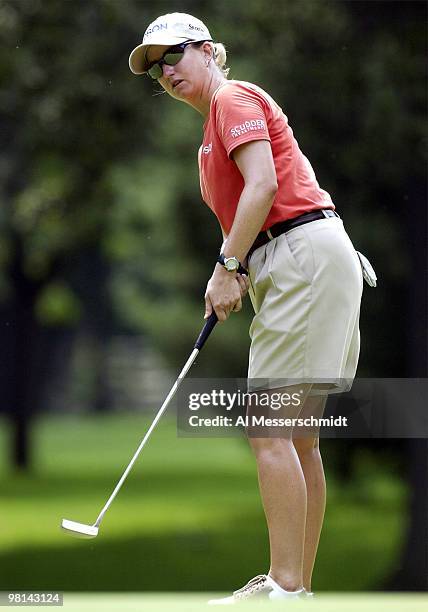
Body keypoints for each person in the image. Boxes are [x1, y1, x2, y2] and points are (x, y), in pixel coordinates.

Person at [129, 12, 365, 604]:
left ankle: (284, 585)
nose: (166, 71)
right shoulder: (212, 132)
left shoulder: (233, 96)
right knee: (297, 437)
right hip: (303, 258)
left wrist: (227, 266)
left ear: (208, 51)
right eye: (155, 66)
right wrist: (240, 268)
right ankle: (296, 585)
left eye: (175, 54)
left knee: (269, 430)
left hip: (300, 254)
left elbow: (261, 187)